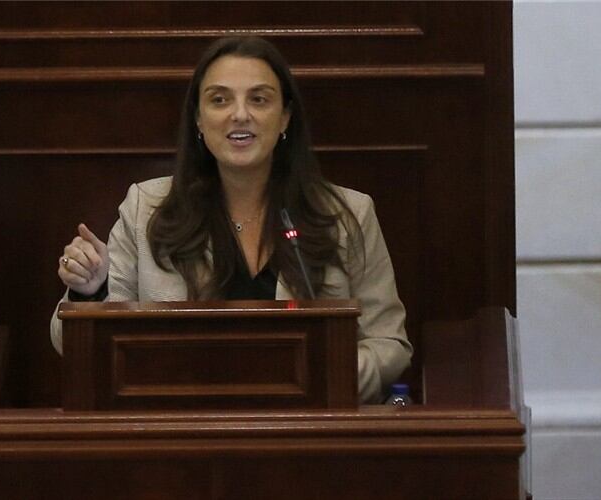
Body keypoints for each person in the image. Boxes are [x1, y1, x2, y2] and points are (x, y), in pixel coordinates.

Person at [50, 36, 412, 404]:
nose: (240, 114)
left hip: (305, 426)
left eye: (259, 99)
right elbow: (74, 345)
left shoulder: (347, 215)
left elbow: (389, 345)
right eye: (220, 100)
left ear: (285, 117)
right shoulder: (146, 208)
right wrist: (89, 292)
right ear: (198, 119)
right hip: (181, 425)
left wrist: (317, 377)